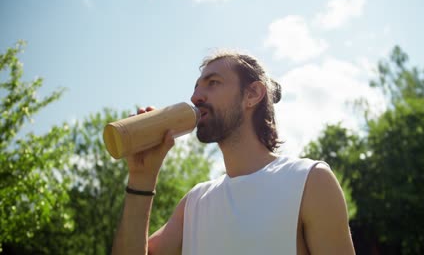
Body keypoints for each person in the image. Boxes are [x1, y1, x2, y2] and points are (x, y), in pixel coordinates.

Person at [111, 51, 355, 255]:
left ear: (252, 94)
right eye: (196, 87)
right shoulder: (194, 202)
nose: (195, 97)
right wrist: (141, 177)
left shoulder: (309, 180)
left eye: (213, 82)